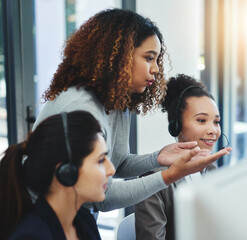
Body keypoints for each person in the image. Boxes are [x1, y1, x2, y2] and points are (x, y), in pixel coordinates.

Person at [33, 8, 231, 213]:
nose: (155, 69)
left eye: (156, 60)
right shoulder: (81, 108)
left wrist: (157, 158)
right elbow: (102, 197)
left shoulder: (117, 102)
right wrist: (170, 175)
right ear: (119, 57)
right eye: (148, 58)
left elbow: (115, 164)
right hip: (43, 220)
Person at [135, 74, 225, 240]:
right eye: (201, 120)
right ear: (177, 126)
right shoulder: (153, 180)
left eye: (216, 122)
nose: (213, 130)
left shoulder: (210, 169)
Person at [0, 111, 115, 240]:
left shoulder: (85, 220)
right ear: (66, 172)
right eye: (100, 160)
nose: (111, 170)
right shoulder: (31, 236)